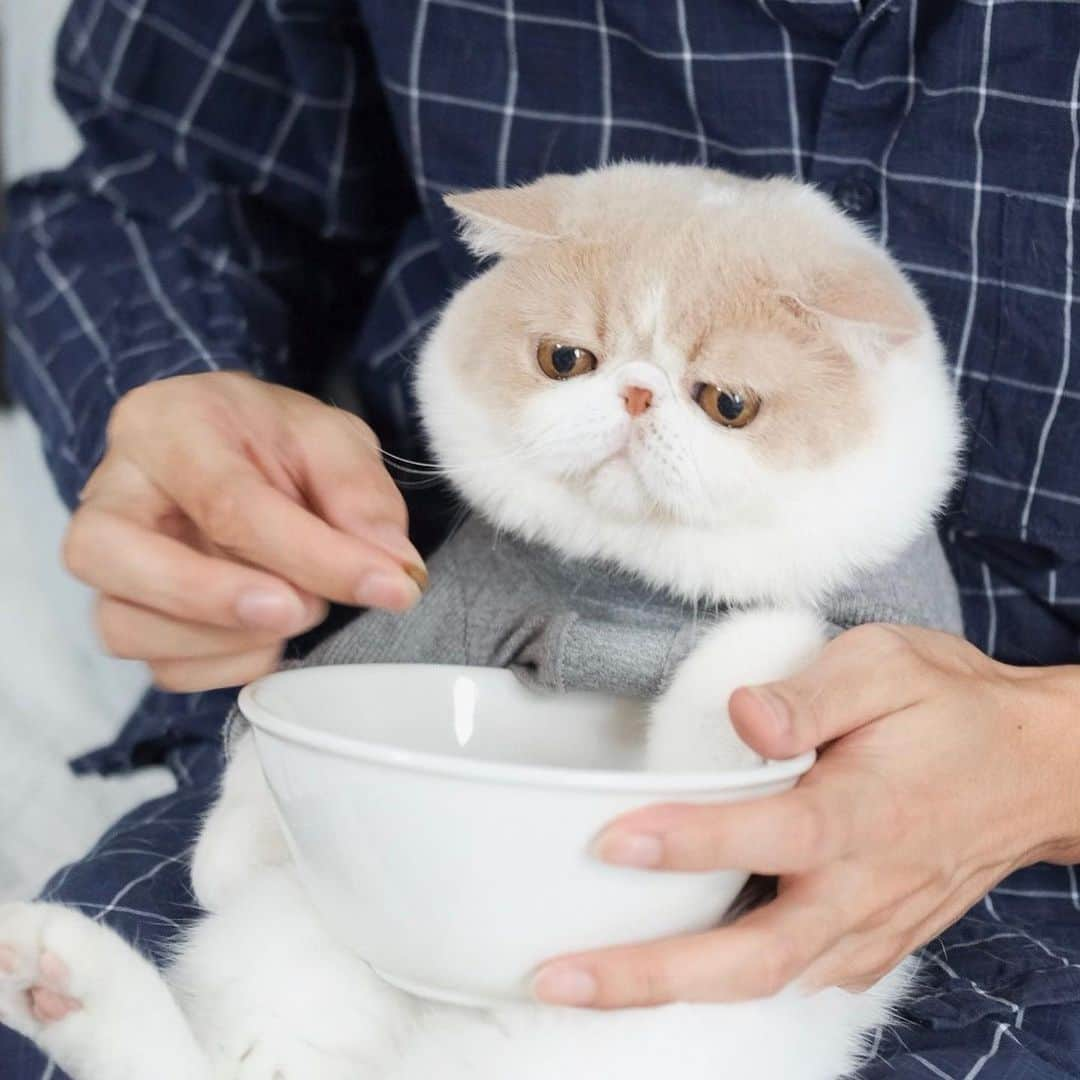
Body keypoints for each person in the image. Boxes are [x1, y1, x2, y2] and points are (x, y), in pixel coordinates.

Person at [4, 1, 1080, 1076]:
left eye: (727, 403)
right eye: (571, 363)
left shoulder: (855, 563)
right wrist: (179, 401)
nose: (636, 415)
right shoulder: (499, 563)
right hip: (408, 810)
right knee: (266, 955)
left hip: (975, 872)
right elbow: (160, 183)